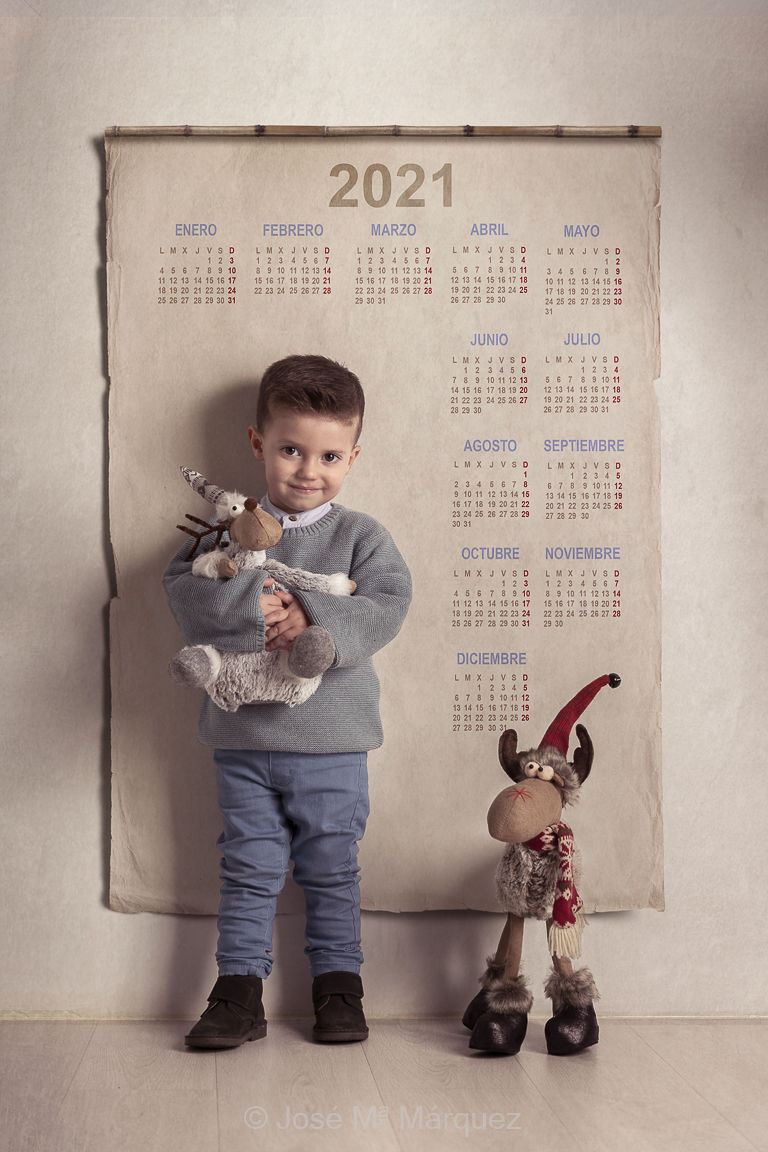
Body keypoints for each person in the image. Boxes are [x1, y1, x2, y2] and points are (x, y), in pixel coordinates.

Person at [163, 354, 412, 1048]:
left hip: (331, 742)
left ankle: (339, 991)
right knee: (249, 868)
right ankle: (238, 993)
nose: (309, 469)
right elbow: (184, 591)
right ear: (258, 444)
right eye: (292, 449)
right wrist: (252, 607)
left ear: (353, 455)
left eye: (330, 455)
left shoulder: (361, 537)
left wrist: (313, 620)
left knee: (332, 870)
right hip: (243, 743)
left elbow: (391, 602)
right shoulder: (225, 531)